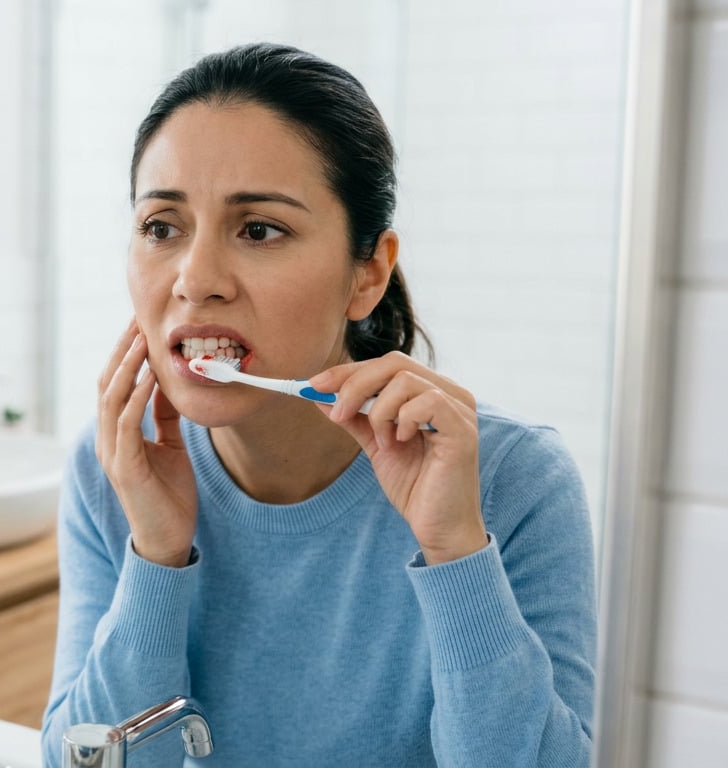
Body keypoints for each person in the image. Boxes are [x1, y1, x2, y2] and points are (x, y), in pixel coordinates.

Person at [42, 43, 595, 766]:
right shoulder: (114, 466)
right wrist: (155, 555)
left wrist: (456, 550)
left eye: (259, 230)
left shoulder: (513, 481)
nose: (195, 279)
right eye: (162, 228)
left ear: (367, 273)